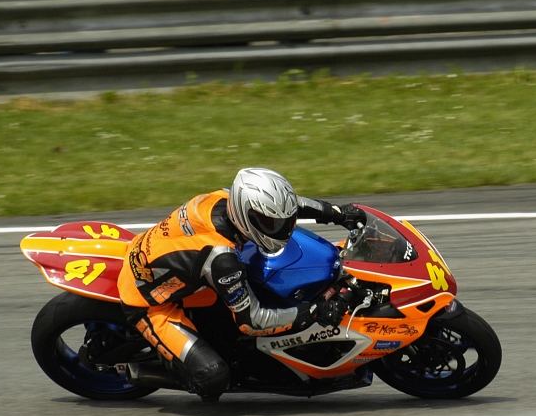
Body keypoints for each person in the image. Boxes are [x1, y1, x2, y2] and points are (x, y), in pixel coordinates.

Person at [117, 167, 366, 402]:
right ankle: (174, 370)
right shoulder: (221, 258)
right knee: (214, 377)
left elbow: (291, 205)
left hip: (182, 271)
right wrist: (313, 312)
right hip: (150, 300)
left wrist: (336, 212)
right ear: (246, 216)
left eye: (283, 222)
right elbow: (252, 322)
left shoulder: (228, 197)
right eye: (270, 225)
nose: (282, 231)